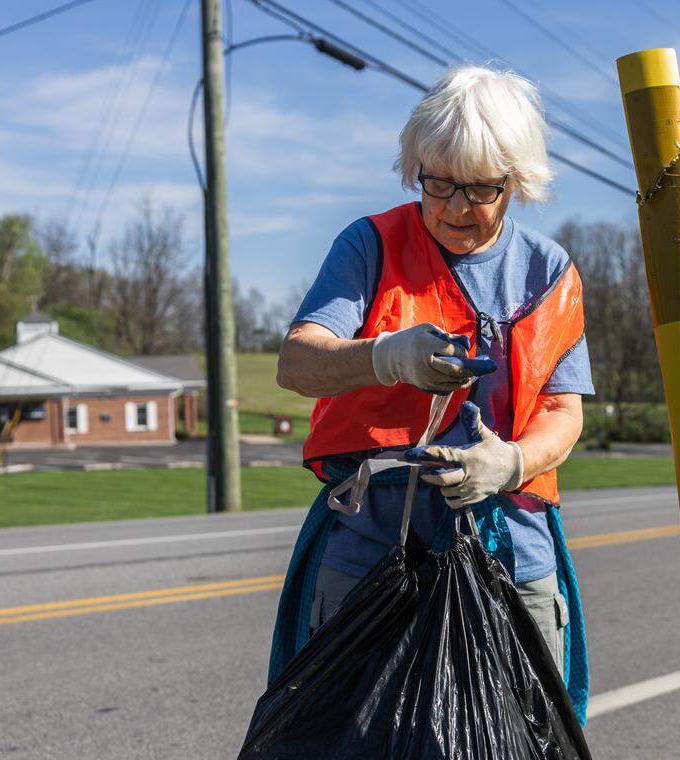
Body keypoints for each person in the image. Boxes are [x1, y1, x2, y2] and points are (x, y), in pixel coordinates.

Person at [268, 65, 595, 720]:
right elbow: (298, 362)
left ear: (517, 184)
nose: (451, 207)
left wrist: (513, 462)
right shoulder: (370, 245)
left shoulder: (548, 271)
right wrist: (387, 357)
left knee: (523, 732)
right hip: (373, 543)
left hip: (510, 538)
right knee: (351, 735)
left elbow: (564, 410)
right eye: (436, 182)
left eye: (478, 190)